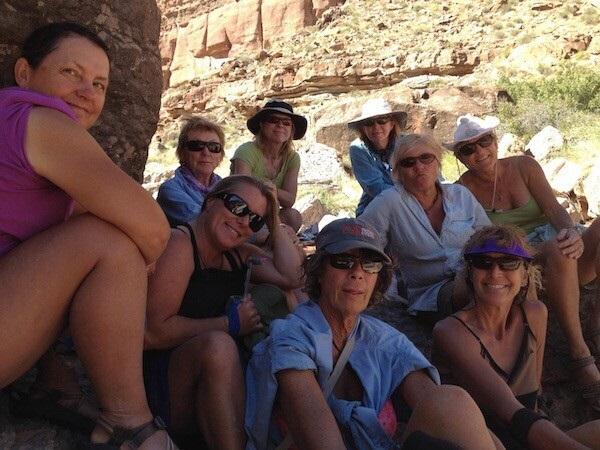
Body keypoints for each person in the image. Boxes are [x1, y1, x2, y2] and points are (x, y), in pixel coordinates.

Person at [0, 22, 178, 449]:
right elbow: (152, 227)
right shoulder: (38, 120)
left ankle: (54, 382)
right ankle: (131, 424)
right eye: (71, 73)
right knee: (111, 241)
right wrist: (139, 265)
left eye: (99, 83)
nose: (87, 91)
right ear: (25, 74)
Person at [245, 218, 499, 450]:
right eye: (343, 261)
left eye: (370, 264)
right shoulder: (292, 337)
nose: (357, 273)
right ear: (320, 270)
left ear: (379, 277)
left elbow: (451, 413)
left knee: (451, 400)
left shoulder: (383, 340)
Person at [449, 114, 600, 409]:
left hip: (561, 257)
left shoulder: (524, 166)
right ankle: (580, 355)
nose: (480, 152)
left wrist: (571, 232)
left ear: (495, 140)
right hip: (517, 267)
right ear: (461, 158)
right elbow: (476, 243)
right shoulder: (461, 191)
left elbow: (555, 210)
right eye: (469, 149)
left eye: (484, 141)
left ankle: (596, 322)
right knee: (557, 250)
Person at [144, 175, 304, 449]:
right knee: (219, 346)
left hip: (212, 385)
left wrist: (274, 221)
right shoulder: (181, 245)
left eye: (255, 220)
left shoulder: (237, 255)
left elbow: (292, 277)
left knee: (295, 298)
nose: (243, 222)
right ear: (210, 202)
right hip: (166, 386)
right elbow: (152, 332)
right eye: (237, 207)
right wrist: (227, 323)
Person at [433, 225, 600, 450]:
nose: (495, 272)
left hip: (530, 434)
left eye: (509, 262)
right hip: (484, 442)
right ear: (469, 274)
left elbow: (534, 394)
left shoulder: (535, 314)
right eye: (483, 262)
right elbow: (509, 409)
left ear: (524, 275)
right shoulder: (451, 332)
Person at [360, 134, 491, 321]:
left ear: (437, 162)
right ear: (397, 172)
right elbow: (360, 241)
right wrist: (386, 284)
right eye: (408, 162)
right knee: (482, 287)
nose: (419, 167)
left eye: (426, 158)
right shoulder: (389, 202)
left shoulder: (461, 195)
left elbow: (489, 237)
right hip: (430, 294)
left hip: (476, 275)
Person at [230, 99, 307, 232]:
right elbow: (241, 192)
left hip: (270, 214)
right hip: (241, 212)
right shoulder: (246, 151)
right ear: (262, 125)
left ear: (291, 130)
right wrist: (265, 187)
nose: (280, 126)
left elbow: (289, 200)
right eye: (273, 120)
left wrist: (272, 189)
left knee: (293, 217)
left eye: (286, 123)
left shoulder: (292, 158)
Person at [157, 116, 224, 226]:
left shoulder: (226, 188)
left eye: (214, 147)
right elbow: (210, 225)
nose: (206, 153)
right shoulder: (170, 191)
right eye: (196, 146)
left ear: (220, 155)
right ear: (182, 153)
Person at [347, 98, 407, 216]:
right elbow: (375, 188)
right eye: (369, 123)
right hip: (375, 209)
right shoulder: (358, 149)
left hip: (412, 204)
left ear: (392, 124)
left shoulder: (406, 144)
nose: (376, 127)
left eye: (382, 121)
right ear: (363, 128)